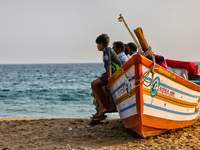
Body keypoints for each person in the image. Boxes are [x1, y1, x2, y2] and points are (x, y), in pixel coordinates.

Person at [91, 34, 122, 120]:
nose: (97, 46)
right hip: (115, 72)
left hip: (115, 74)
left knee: (94, 84)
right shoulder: (108, 50)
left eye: (97, 44)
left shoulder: (106, 50)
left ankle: (104, 106)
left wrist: (108, 77)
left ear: (101, 44)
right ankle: (103, 106)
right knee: (95, 84)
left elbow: (108, 64)